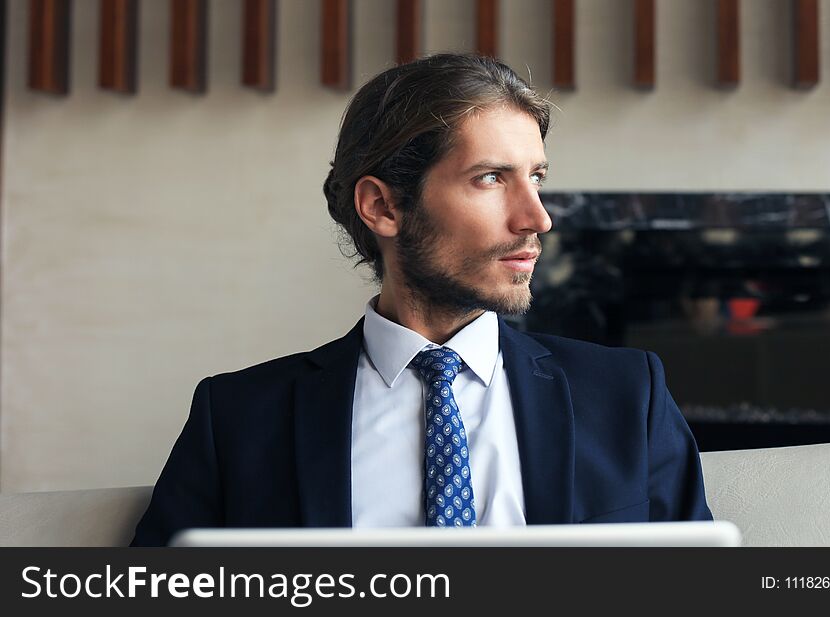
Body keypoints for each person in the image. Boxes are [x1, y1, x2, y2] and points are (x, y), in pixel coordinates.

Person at [131, 53, 711, 546]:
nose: (538, 217)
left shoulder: (628, 394)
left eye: (536, 176)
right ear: (382, 207)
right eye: (490, 178)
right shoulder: (237, 417)